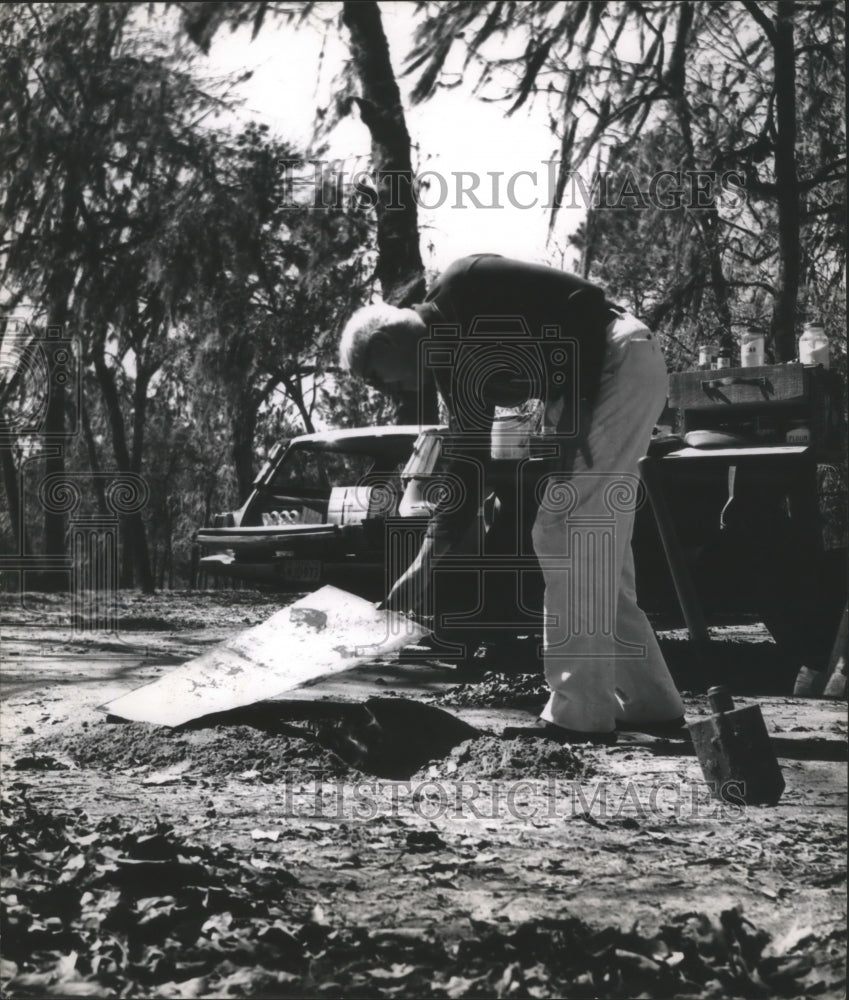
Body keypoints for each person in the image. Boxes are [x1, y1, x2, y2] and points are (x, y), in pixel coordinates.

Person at [338, 254, 684, 743]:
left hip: (617, 360)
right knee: (594, 547)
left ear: (388, 342)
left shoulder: (467, 282)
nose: (388, 392)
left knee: (567, 531)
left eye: (379, 377)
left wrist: (577, 409)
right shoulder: (453, 372)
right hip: (593, 382)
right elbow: (468, 462)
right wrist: (422, 566)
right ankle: (651, 703)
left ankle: (578, 715)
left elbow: (586, 301)